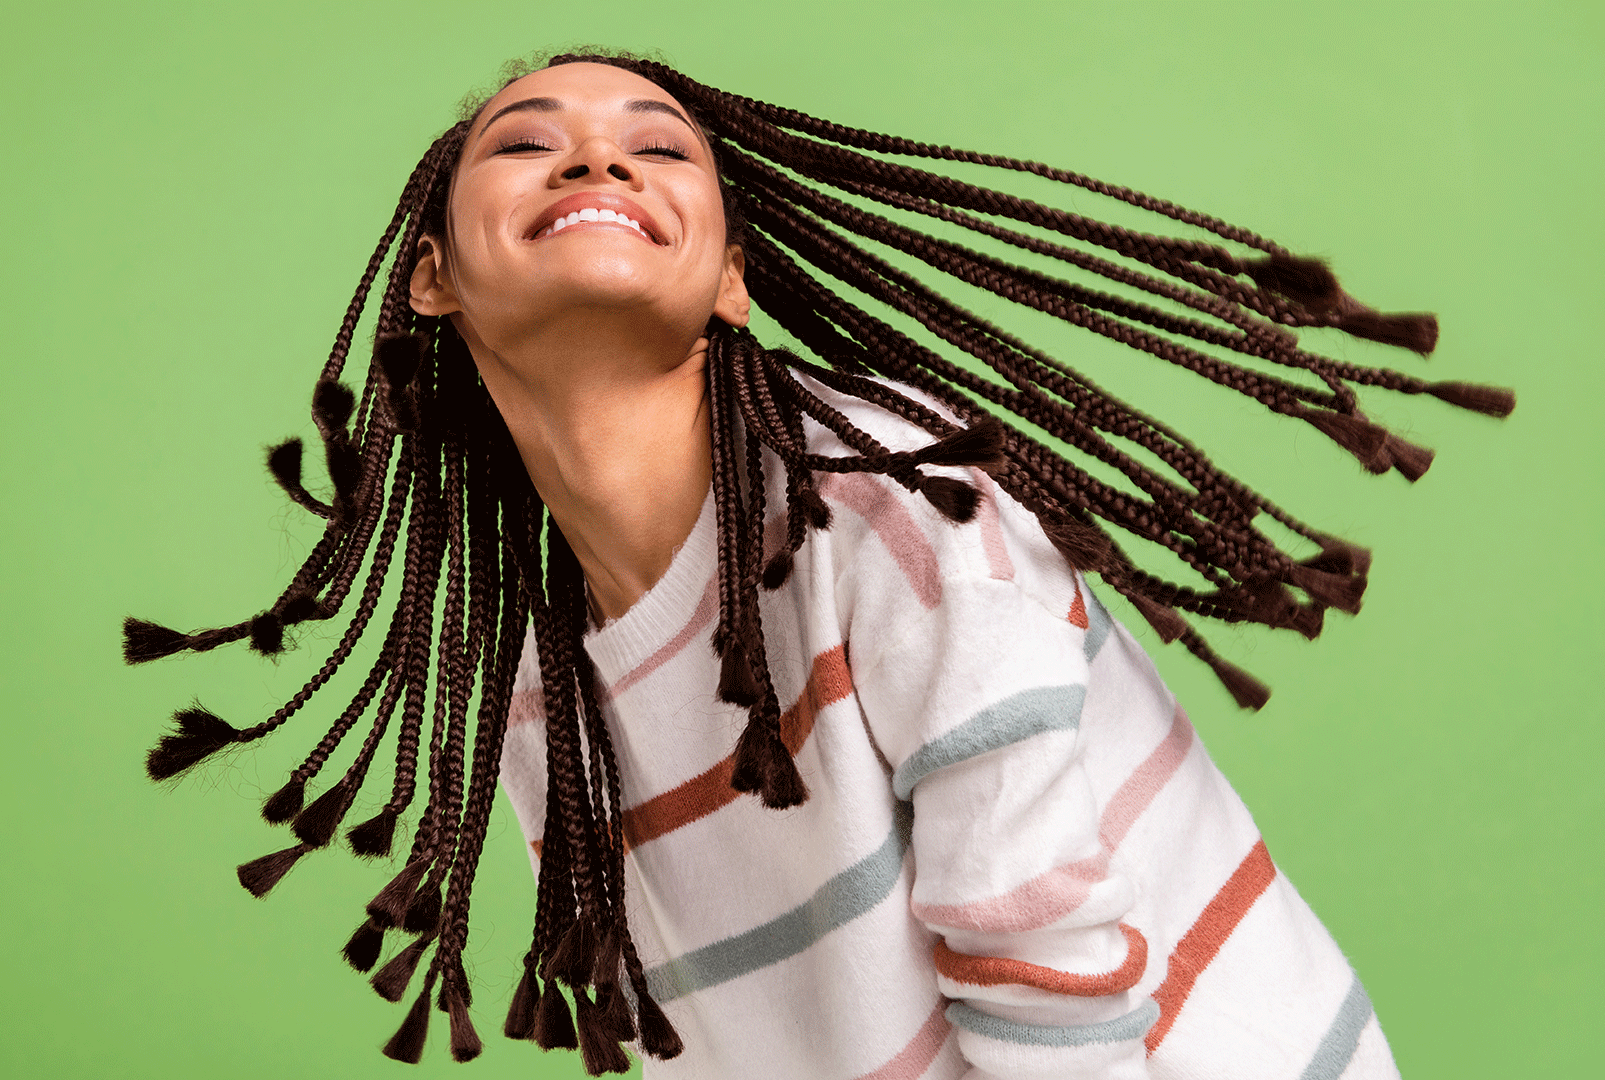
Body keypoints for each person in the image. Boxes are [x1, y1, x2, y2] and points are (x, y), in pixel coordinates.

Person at [124, 52, 1512, 1078]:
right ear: (430, 277)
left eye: (660, 151)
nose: (598, 161)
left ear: (732, 275)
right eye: (527, 143)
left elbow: (1058, 1015)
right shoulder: (545, 702)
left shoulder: (890, 506)